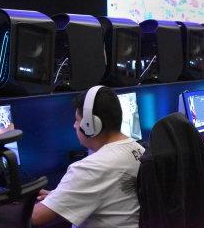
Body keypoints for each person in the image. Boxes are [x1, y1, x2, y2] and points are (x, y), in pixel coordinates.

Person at [31, 85, 145, 228]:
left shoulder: (91, 168)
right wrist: (60, 199)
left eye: (77, 120)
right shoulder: (140, 150)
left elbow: (35, 218)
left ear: (91, 125)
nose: (74, 125)